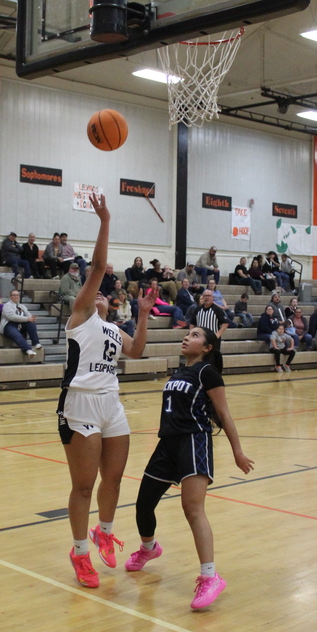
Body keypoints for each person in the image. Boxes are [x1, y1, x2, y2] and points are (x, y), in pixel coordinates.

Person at [57, 192, 157, 590]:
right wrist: (105, 221)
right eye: (93, 291)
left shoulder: (114, 328)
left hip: (111, 403)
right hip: (80, 403)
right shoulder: (81, 317)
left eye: (103, 295)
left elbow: (136, 351)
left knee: (113, 478)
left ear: (111, 304)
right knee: (84, 485)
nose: (97, 294)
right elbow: (98, 267)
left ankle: (104, 531)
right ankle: (80, 553)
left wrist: (144, 315)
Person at [124, 326, 253, 610]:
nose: (187, 337)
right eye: (188, 333)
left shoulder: (208, 373)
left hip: (193, 441)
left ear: (207, 348)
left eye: (195, 335)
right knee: (144, 504)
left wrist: (238, 452)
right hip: (167, 444)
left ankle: (210, 577)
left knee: (193, 509)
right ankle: (149, 548)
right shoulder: (179, 372)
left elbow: (223, 413)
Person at [0, 289, 41, 354]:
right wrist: (27, 319)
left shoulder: (22, 306)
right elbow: (12, 317)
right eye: (14, 295)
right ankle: (27, 349)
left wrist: (32, 317)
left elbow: (28, 314)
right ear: (10, 297)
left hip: (20, 324)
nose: (16, 296)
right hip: (9, 324)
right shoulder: (7, 306)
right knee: (17, 335)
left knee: (31, 323)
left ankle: (36, 343)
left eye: (17, 295)